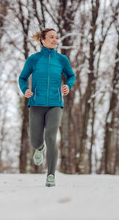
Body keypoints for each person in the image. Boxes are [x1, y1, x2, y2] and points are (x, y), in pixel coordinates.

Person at [18, 28, 75, 187]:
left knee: (51, 137)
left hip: (55, 104)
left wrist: (68, 86)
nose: (55, 40)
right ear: (42, 40)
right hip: (36, 103)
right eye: (51, 37)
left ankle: (51, 175)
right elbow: (22, 78)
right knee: (36, 139)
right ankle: (39, 147)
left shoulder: (62, 59)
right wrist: (26, 91)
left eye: (56, 37)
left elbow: (71, 75)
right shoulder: (33, 59)